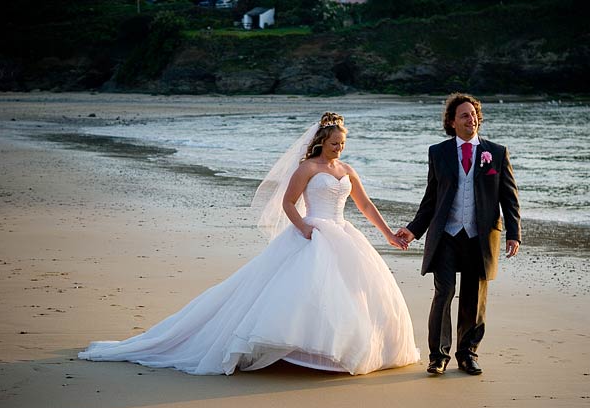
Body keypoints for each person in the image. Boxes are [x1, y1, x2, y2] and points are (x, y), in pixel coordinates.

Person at [79, 112, 420, 376]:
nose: (338, 149)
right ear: (321, 142)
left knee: (351, 293)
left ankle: (340, 351)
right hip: (313, 232)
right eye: (334, 144)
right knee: (301, 293)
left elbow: (365, 205)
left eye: (342, 145)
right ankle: (295, 350)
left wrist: (389, 233)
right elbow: (287, 203)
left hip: (343, 234)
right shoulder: (307, 168)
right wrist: (303, 228)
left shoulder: (346, 169)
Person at [396, 93, 521, 376]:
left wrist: (514, 233)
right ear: (452, 122)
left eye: (474, 114)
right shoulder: (438, 153)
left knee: (473, 297)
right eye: (464, 115)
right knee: (444, 293)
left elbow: (509, 197)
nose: (472, 119)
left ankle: (468, 354)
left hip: (480, 236)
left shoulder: (496, 153)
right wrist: (413, 230)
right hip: (447, 235)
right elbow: (431, 200)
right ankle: (438, 356)